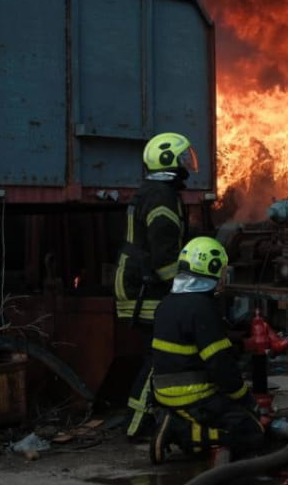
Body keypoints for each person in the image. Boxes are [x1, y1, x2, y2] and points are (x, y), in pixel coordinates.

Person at [149, 236, 265, 461]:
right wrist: (245, 398)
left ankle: (177, 423)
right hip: (194, 397)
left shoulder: (166, 304)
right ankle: (179, 430)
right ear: (211, 269)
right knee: (253, 432)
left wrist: (238, 343)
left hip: (163, 395)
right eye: (221, 270)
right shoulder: (202, 308)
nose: (224, 276)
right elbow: (220, 365)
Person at [115, 132, 197, 440]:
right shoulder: (161, 197)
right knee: (161, 356)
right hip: (143, 291)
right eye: (184, 158)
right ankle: (137, 425)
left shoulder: (156, 191)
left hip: (141, 284)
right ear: (169, 161)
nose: (188, 164)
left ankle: (162, 415)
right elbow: (165, 261)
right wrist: (190, 290)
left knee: (163, 352)